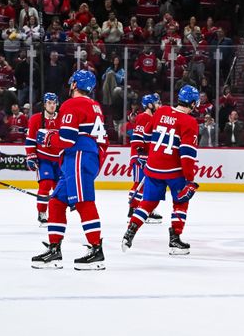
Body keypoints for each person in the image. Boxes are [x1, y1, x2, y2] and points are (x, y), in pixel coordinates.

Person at [31, 70, 108, 270]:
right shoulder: (95, 105)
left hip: (79, 157)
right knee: (56, 202)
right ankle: (55, 250)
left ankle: (96, 250)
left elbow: (67, 140)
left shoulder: (72, 104)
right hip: (83, 157)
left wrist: (48, 138)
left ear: (74, 84)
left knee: (84, 202)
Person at [122, 85, 201, 256]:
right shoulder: (190, 122)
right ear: (193, 103)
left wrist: (152, 153)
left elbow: (147, 136)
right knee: (180, 202)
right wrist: (190, 179)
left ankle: (130, 232)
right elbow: (187, 155)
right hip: (174, 171)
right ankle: (175, 240)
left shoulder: (161, 111)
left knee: (148, 203)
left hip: (153, 168)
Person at [25, 93, 63, 225]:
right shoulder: (36, 119)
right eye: (49, 103)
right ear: (44, 104)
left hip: (59, 159)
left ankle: (57, 214)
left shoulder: (63, 118)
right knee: (45, 184)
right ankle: (42, 211)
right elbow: (30, 140)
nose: (52, 105)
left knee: (59, 187)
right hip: (43, 158)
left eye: (54, 103)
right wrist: (31, 156)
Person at [126, 93, 162, 222]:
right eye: (157, 103)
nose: (159, 105)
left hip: (147, 156)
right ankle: (134, 209)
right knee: (139, 183)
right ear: (150, 105)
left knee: (147, 184)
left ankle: (146, 209)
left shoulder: (153, 118)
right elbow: (137, 137)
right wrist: (140, 153)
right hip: (139, 157)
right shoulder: (143, 117)